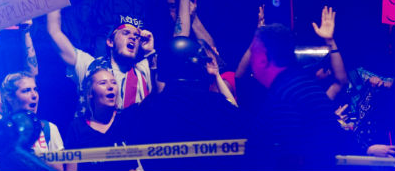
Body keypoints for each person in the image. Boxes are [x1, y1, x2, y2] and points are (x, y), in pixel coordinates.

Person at [122, 36, 244, 170]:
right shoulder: (216, 104)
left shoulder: (144, 110)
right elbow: (241, 124)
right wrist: (216, 75)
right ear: (197, 67)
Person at [247, 23, 345, 170]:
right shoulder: (304, 86)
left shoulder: (285, 98)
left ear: (263, 58)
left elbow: (291, 159)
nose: (250, 60)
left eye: (253, 52)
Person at [47, 8, 159, 110]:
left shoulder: (145, 69)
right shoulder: (91, 67)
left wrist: (150, 52)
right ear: (110, 42)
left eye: (137, 36)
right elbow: (55, 33)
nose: (133, 38)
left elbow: (163, 93)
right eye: (126, 33)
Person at [64, 68, 140, 171]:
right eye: (103, 83)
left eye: (113, 82)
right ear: (90, 93)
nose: (110, 87)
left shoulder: (124, 122)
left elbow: (132, 168)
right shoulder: (77, 127)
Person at [0, 72, 64, 171]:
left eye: (35, 89)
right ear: (10, 97)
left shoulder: (49, 128)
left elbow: (59, 169)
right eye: (26, 90)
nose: (34, 95)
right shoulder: (2, 130)